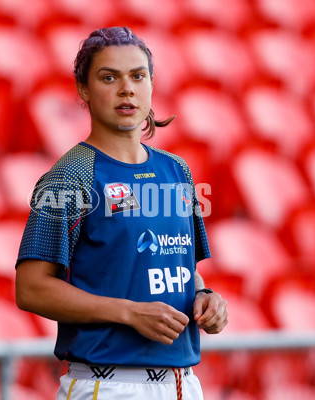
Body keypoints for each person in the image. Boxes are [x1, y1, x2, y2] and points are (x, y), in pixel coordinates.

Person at [15, 26, 228, 400]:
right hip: (108, 384)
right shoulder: (71, 174)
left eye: (137, 76)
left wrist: (206, 297)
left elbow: (180, 267)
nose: (126, 88)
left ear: (150, 86)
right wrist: (130, 313)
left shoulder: (176, 170)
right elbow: (31, 288)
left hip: (184, 384)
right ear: (83, 89)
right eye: (109, 77)